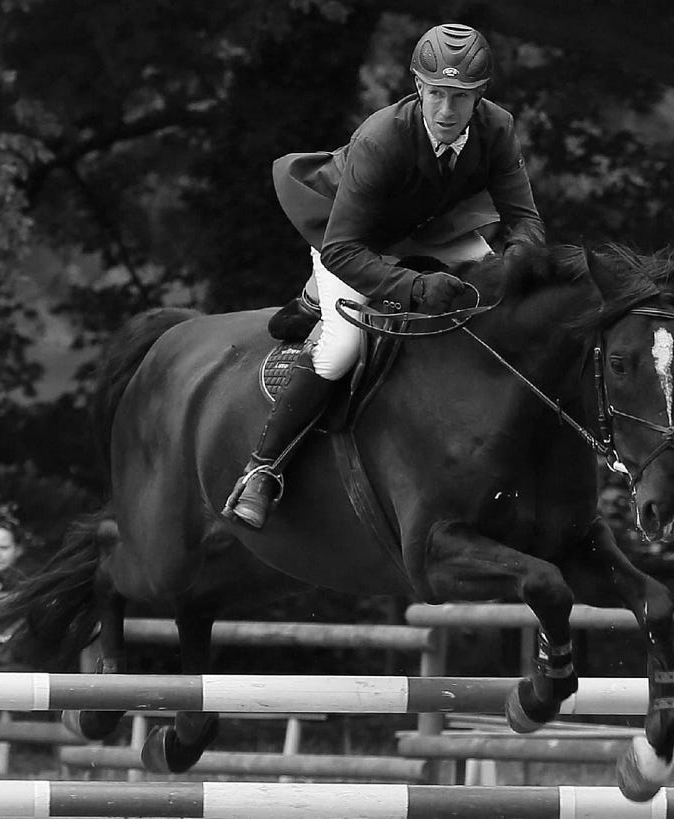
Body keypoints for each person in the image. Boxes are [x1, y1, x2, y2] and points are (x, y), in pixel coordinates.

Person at [224, 22, 547, 529]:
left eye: (460, 97)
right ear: (418, 88)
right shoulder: (381, 139)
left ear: (480, 96)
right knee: (340, 349)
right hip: (353, 238)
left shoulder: (498, 127)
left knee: (496, 294)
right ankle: (262, 470)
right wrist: (417, 286)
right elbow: (343, 250)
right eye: (436, 94)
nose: (446, 111)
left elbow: (523, 217)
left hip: (431, 226)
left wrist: (522, 257)